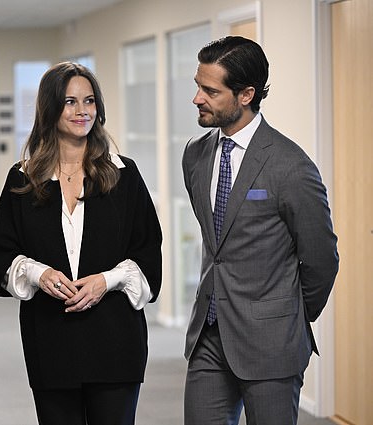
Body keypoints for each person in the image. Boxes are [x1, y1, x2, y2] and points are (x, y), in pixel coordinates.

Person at [0, 62, 162, 425]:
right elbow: (1, 253)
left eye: (89, 101)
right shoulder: (23, 179)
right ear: (50, 109)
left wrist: (106, 280)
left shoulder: (124, 175)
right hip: (51, 339)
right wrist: (38, 273)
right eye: (69, 102)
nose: (82, 111)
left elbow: (147, 250)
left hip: (115, 340)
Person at [182, 36, 339, 425]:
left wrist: (286, 316)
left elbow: (321, 260)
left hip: (272, 343)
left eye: (210, 90)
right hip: (209, 334)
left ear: (246, 94)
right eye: (197, 85)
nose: (197, 98)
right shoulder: (196, 155)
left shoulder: (290, 166)